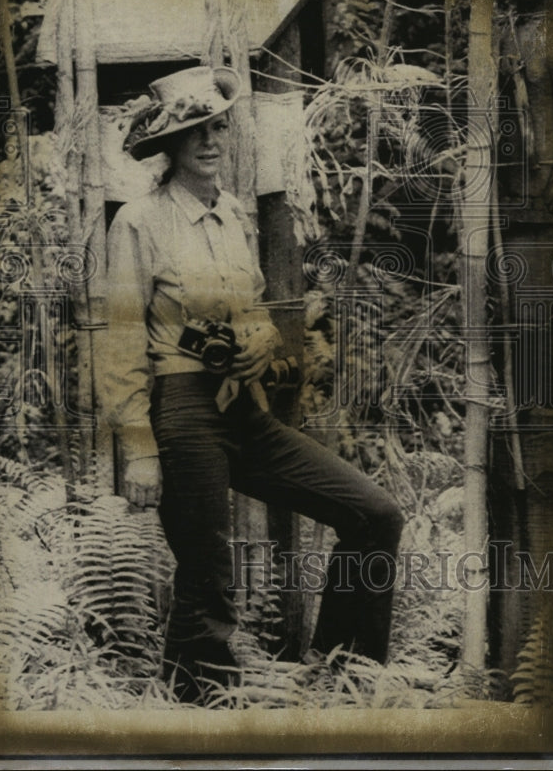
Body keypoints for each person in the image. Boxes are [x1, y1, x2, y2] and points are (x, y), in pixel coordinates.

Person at [104, 65, 404, 704]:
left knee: (373, 514)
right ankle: (202, 708)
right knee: (210, 576)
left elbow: (260, 312)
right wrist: (138, 448)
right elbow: (121, 341)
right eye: (194, 133)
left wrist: (262, 341)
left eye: (218, 127)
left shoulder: (235, 214)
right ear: (169, 147)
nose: (211, 142)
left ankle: (346, 675)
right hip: (182, 412)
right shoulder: (138, 222)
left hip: (247, 411)